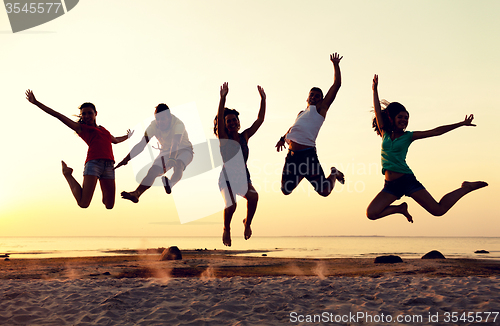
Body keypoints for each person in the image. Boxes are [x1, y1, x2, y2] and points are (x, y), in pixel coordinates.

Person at [366, 74, 488, 222]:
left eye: (406, 118)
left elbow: (436, 131)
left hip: (407, 180)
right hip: (390, 186)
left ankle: (466, 188)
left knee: (438, 210)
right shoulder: (384, 132)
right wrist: (374, 90)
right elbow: (378, 111)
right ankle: (400, 209)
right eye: (401, 117)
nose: (404, 121)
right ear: (392, 118)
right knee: (371, 213)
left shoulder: (409, 136)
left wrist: (461, 123)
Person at [25, 90, 131, 209]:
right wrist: (36, 103)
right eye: (83, 114)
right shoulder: (81, 128)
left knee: (109, 205)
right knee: (83, 203)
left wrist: (128, 136)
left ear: (96, 113)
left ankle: (102, 188)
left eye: (89, 113)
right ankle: (67, 174)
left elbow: (115, 140)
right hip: (94, 164)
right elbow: (58, 115)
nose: (86, 116)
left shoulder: (104, 130)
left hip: (109, 165)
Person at [276, 52, 345, 197]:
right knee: (285, 190)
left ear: (321, 100)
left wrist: (336, 65)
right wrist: (283, 138)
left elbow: (337, 85)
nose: (313, 97)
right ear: (307, 97)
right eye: (311, 94)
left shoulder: (320, 110)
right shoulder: (301, 113)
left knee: (324, 191)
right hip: (292, 156)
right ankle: (304, 173)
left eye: (317, 96)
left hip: (308, 156)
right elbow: (293, 128)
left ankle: (334, 173)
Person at [214, 82, 266, 246]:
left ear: (238, 121)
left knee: (254, 197)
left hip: (243, 177)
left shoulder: (245, 136)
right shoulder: (223, 137)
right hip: (227, 178)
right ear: (224, 124)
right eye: (228, 121)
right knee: (231, 205)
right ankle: (226, 229)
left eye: (234, 120)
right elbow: (221, 117)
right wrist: (223, 98)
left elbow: (260, 119)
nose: (232, 123)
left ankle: (247, 223)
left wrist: (263, 99)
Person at [115, 103, 193, 202]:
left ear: (169, 118)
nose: (160, 122)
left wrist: (172, 158)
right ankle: (137, 193)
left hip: (184, 150)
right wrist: (126, 159)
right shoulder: (153, 126)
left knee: (179, 165)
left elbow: (176, 142)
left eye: (163, 119)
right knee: (153, 171)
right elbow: (141, 145)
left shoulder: (178, 124)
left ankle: (171, 183)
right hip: (165, 151)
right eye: (158, 119)